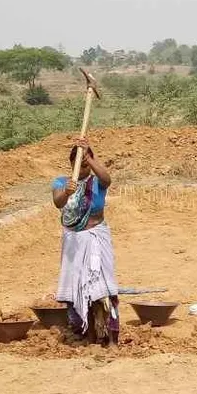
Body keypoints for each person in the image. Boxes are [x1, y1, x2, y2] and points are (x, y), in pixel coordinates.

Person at [51, 137, 120, 347]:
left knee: (104, 289)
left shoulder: (97, 182)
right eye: (79, 165)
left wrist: (88, 156)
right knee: (82, 290)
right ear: (71, 165)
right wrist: (67, 192)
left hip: (95, 238)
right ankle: (90, 338)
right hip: (74, 242)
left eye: (86, 165)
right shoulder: (62, 183)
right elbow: (57, 202)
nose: (83, 170)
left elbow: (107, 179)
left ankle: (112, 340)